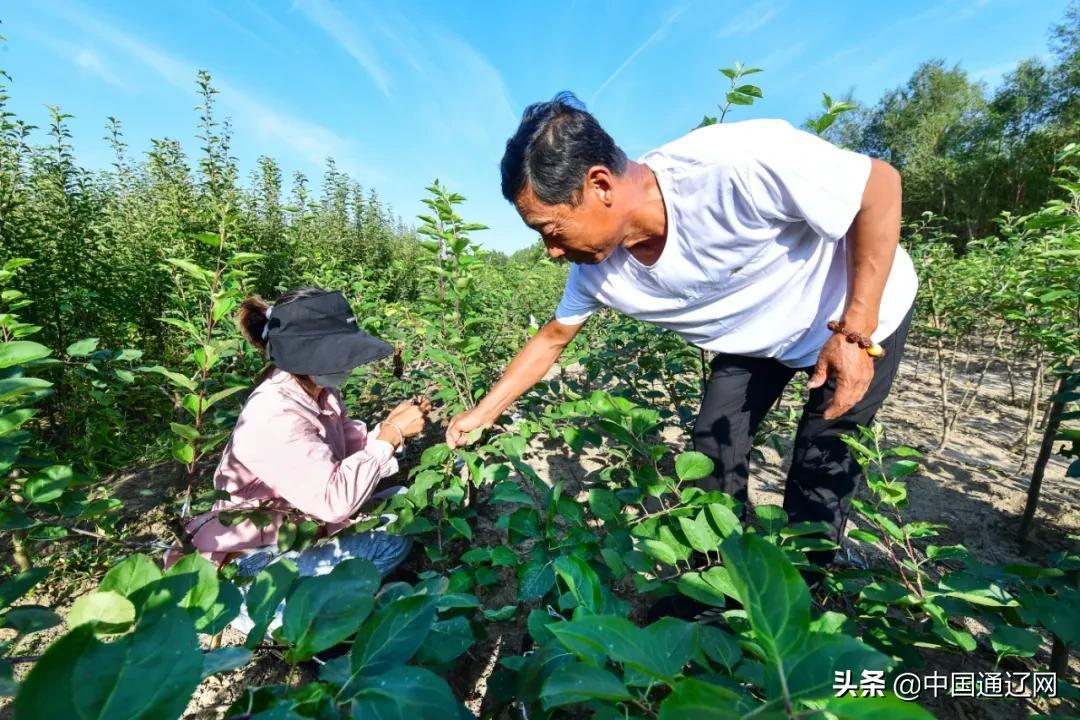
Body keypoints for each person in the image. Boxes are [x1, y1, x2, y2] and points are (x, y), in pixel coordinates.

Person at [446, 92, 915, 590]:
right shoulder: (597, 272)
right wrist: (485, 411)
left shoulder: (731, 164)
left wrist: (855, 330)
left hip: (853, 315)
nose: (552, 251)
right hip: (758, 339)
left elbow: (880, 186)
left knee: (822, 463)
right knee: (714, 448)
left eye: (552, 229)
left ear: (600, 185)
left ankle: (803, 598)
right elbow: (552, 339)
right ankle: (716, 587)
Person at [163, 288, 430, 600]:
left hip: (293, 528)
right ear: (308, 354)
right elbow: (335, 502)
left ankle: (333, 600)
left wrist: (390, 430)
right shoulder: (275, 414)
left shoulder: (316, 391)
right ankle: (279, 617)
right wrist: (390, 436)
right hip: (249, 558)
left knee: (401, 504)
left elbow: (343, 456)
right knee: (391, 542)